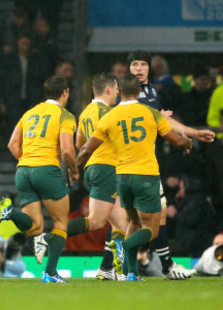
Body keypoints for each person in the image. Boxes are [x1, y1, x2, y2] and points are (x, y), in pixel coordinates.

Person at [77, 74, 192, 281]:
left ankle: (131, 273)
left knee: (129, 222)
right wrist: (187, 142)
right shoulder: (150, 112)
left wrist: (74, 170)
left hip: (121, 177)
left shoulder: (109, 116)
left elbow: (84, 148)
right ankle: (124, 247)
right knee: (151, 229)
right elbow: (175, 141)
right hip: (145, 176)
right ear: (139, 92)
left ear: (119, 91)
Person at [127, 50, 213, 279]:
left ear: (149, 68)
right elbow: (159, 122)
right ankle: (126, 264)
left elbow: (161, 121)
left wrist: (193, 133)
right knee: (129, 219)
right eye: (134, 64)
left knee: (149, 216)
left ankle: (159, 266)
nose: (138, 68)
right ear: (129, 69)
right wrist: (186, 137)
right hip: (129, 164)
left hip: (144, 163)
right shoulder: (125, 94)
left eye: (142, 64)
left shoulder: (151, 91)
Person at [0, 75, 79, 284]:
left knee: (35, 228)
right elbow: (67, 150)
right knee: (60, 222)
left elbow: (13, 144)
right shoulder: (65, 115)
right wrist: (74, 170)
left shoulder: (30, 113)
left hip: (23, 171)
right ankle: (50, 273)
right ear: (65, 92)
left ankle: (9, 212)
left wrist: (28, 160)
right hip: (46, 170)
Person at [71, 73, 129, 280]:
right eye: (116, 89)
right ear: (109, 89)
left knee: (121, 223)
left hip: (94, 168)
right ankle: (50, 237)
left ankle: (106, 268)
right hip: (107, 168)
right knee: (95, 221)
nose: (118, 93)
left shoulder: (85, 112)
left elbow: (80, 143)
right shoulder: (109, 113)